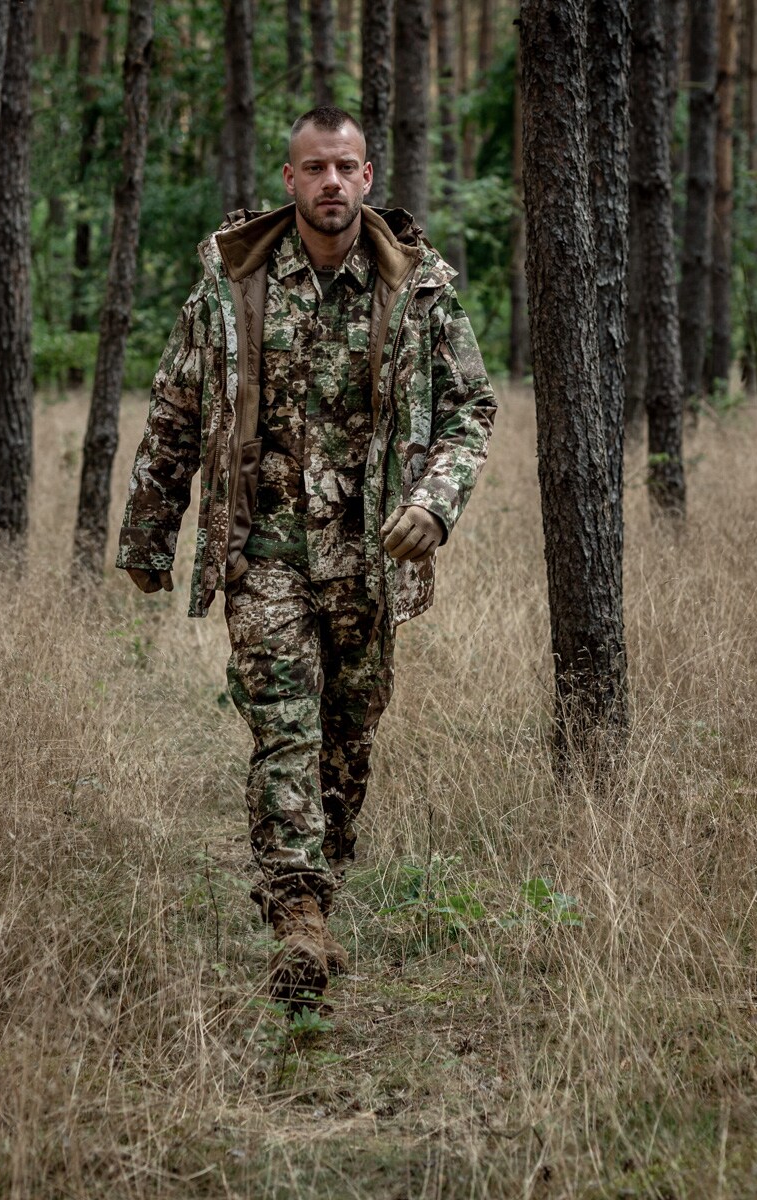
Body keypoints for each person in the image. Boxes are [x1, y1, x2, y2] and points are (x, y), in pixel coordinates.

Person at [116, 106, 495, 1006]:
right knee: (285, 725)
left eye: (347, 166)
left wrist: (434, 507)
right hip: (264, 551)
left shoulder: (421, 286)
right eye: (315, 167)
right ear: (288, 181)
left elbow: (470, 409)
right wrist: (148, 529)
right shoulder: (230, 285)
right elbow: (176, 408)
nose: (331, 182)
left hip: (371, 554)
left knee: (348, 735)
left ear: (369, 178)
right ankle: (298, 921)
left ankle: (321, 861)